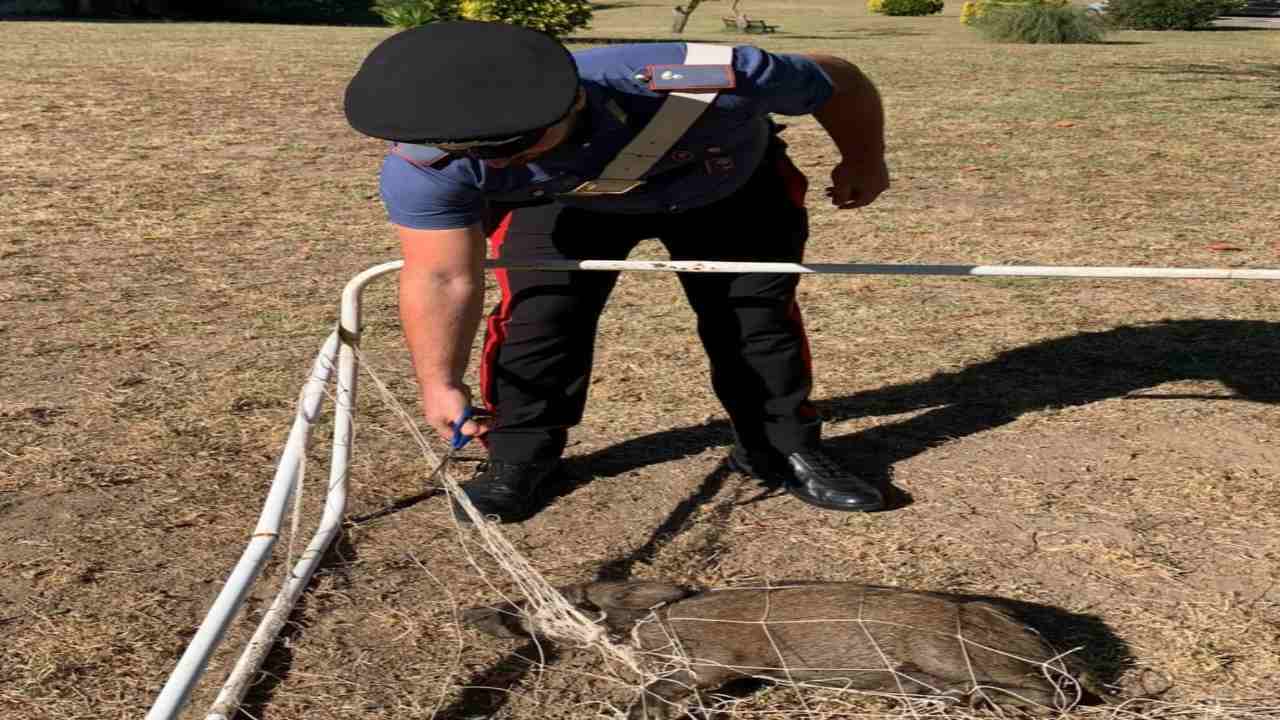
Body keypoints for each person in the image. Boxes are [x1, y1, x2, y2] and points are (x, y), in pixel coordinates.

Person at [344, 21, 890, 523]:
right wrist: (439, 383)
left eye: (517, 144)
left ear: (574, 102)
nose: (499, 161)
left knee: (753, 320)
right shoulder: (425, 166)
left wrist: (865, 160)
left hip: (730, 187)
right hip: (563, 203)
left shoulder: (707, 76)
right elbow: (441, 276)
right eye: (478, 154)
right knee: (542, 317)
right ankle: (519, 456)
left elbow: (839, 79)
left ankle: (777, 447)